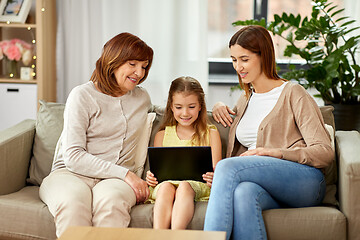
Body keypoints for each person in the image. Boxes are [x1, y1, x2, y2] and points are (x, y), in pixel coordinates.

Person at [203, 25, 334, 240]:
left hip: (305, 182)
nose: (238, 67)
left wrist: (277, 152)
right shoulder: (245, 99)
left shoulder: (293, 93)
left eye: (244, 59)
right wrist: (217, 105)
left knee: (226, 167)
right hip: (264, 185)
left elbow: (324, 152)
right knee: (243, 194)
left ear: (263, 56)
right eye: (234, 60)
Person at [39, 32, 154, 237]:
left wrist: (216, 107)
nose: (140, 73)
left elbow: (173, 112)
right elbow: (73, 156)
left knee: (112, 204)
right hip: (70, 173)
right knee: (73, 202)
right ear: (114, 61)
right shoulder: (82, 95)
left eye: (144, 66)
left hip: (115, 181)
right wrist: (127, 175)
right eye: (133, 64)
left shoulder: (141, 97)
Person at [145, 76, 222, 229]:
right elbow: (157, 171)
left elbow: (217, 170)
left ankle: (176, 235)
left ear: (200, 106)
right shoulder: (162, 135)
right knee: (166, 187)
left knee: (185, 186)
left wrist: (215, 177)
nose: (185, 113)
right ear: (171, 107)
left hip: (197, 185)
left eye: (191, 107)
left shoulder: (211, 133)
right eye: (179, 107)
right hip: (166, 184)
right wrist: (151, 177)